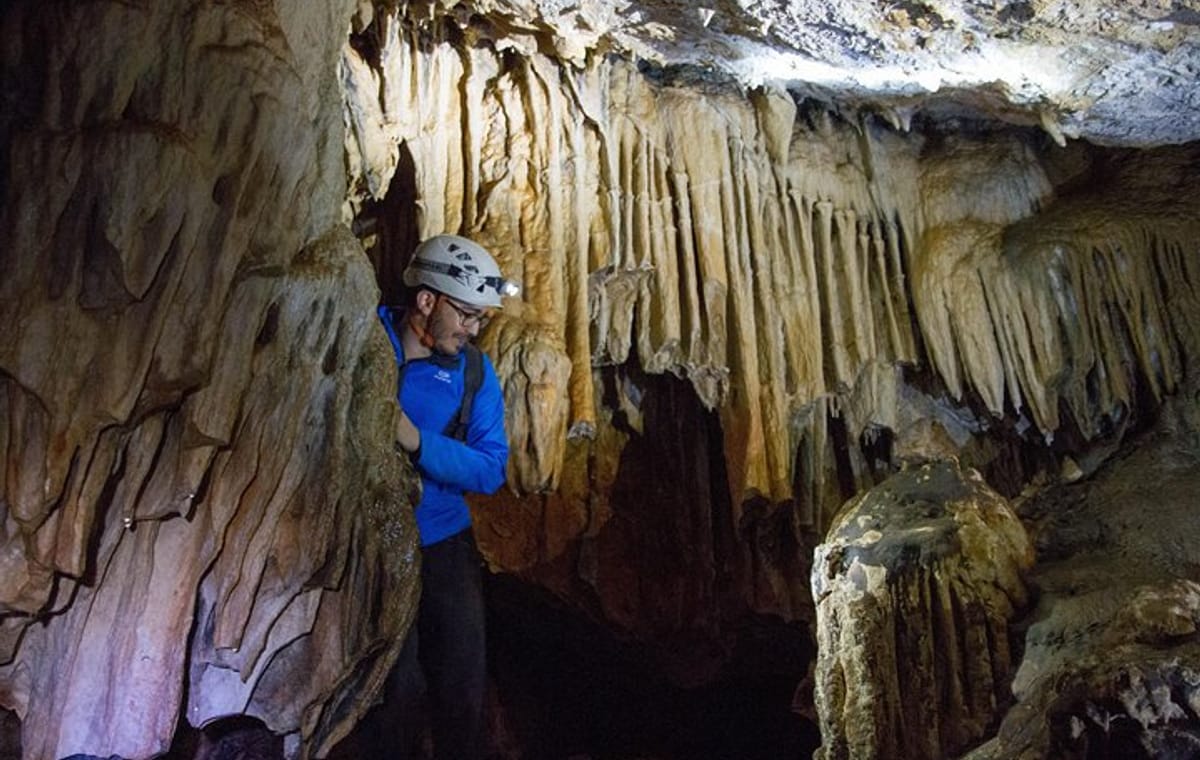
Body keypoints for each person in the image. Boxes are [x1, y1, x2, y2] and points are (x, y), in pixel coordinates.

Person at [374, 234, 515, 759]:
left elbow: (489, 467)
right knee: (394, 688)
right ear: (427, 300)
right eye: (467, 315)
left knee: (462, 684)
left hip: (443, 541)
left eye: (481, 318)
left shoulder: (475, 374)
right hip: (373, 546)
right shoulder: (367, 339)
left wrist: (416, 441)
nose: (473, 329)